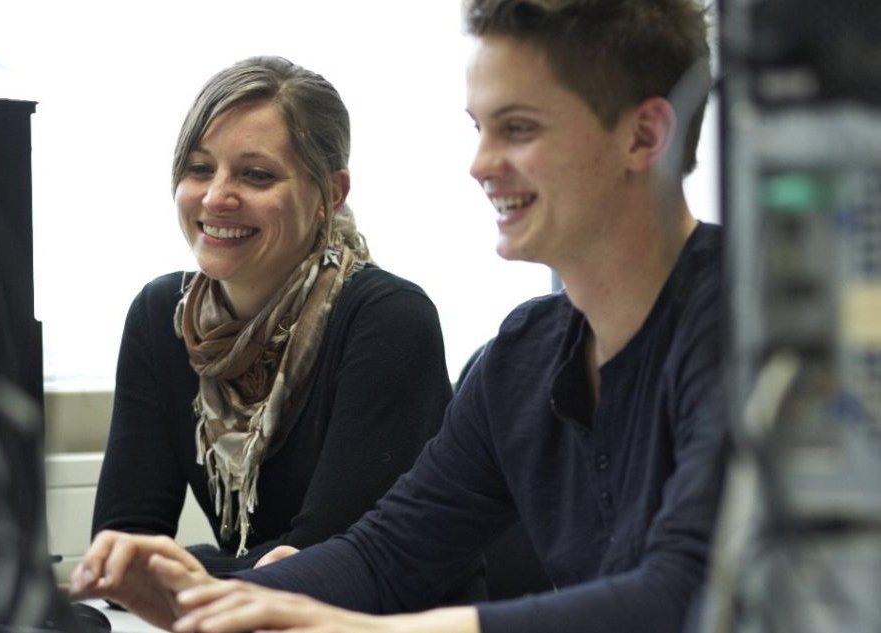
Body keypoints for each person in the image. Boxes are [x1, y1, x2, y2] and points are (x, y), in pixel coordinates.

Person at [70, 1, 729, 631]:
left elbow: (685, 596)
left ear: (644, 135)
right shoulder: (521, 360)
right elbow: (383, 555)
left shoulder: (752, 326)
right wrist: (205, 600)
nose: (479, 165)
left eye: (518, 128)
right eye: (479, 128)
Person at [89, 55, 460, 579]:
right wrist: (163, 570)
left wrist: (180, 570)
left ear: (330, 194)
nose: (217, 196)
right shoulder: (161, 317)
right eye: (199, 168)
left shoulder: (389, 320)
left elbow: (327, 562)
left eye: (257, 175)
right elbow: (122, 547)